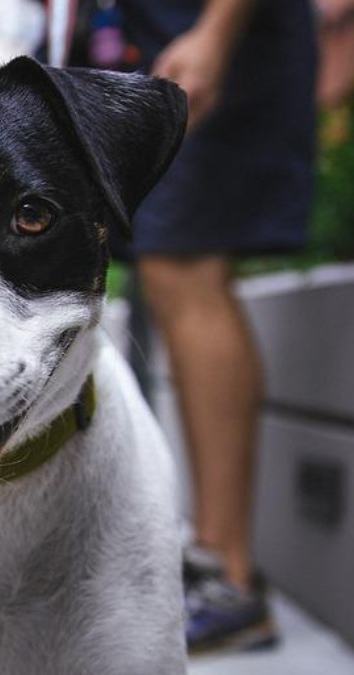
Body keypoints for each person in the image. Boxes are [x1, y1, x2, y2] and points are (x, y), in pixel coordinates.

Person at [115, 0, 318, 656]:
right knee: (170, 267)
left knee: (186, 264)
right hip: (169, 41)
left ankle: (229, 577)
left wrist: (215, 32)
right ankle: (211, 567)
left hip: (205, 42)